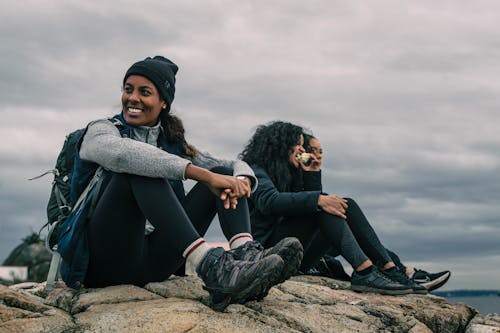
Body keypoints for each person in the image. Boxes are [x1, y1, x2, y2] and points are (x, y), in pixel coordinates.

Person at [64, 56, 303, 312]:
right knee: (139, 169)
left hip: (153, 263)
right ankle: (210, 266)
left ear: (163, 102)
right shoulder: (101, 130)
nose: (132, 98)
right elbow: (122, 155)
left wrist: (242, 179)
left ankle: (245, 257)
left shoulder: (174, 143)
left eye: (144, 92)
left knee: (222, 172)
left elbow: (233, 165)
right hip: (102, 262)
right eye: (128, 89)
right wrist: (201, 175)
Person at [240, 120, 427, 295]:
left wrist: (312, 174)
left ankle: (391, 269)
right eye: (299, 144)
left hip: (297, 254)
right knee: (323, 206)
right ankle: (364, 271)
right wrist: (318, 200)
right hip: (268, 254)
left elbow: (308, 205)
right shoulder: (255, 170)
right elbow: (269, 202)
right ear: (282, 145)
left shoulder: (289, 174)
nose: (302, 149)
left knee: (346, 205)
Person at [300, 133, 451, 292]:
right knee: (345, 208)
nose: (317, 155)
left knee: (363, 236)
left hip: (316, 244)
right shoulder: (287, 176)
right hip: (303, 248)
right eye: (311, 150)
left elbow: (313, 203)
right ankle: (394, 272)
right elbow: (309, 211)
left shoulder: (306, 173)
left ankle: (402, 272)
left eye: (320, 151)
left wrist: (313, 173)